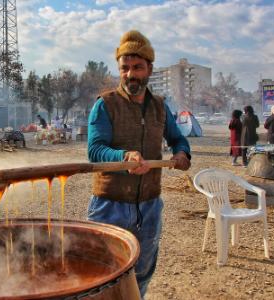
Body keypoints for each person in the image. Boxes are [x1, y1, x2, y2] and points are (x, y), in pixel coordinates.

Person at [87, 30, 191, 298]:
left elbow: (179, 139)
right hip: (110, 204)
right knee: (103, 275)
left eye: (137, 68)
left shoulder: (159, 107)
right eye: (125, 68)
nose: (130, 75)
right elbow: (95, 150)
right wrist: (124, 157)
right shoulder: (105, 105)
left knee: (142, 273)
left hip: (149, 206)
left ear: (149, 69)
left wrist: (182, 154)